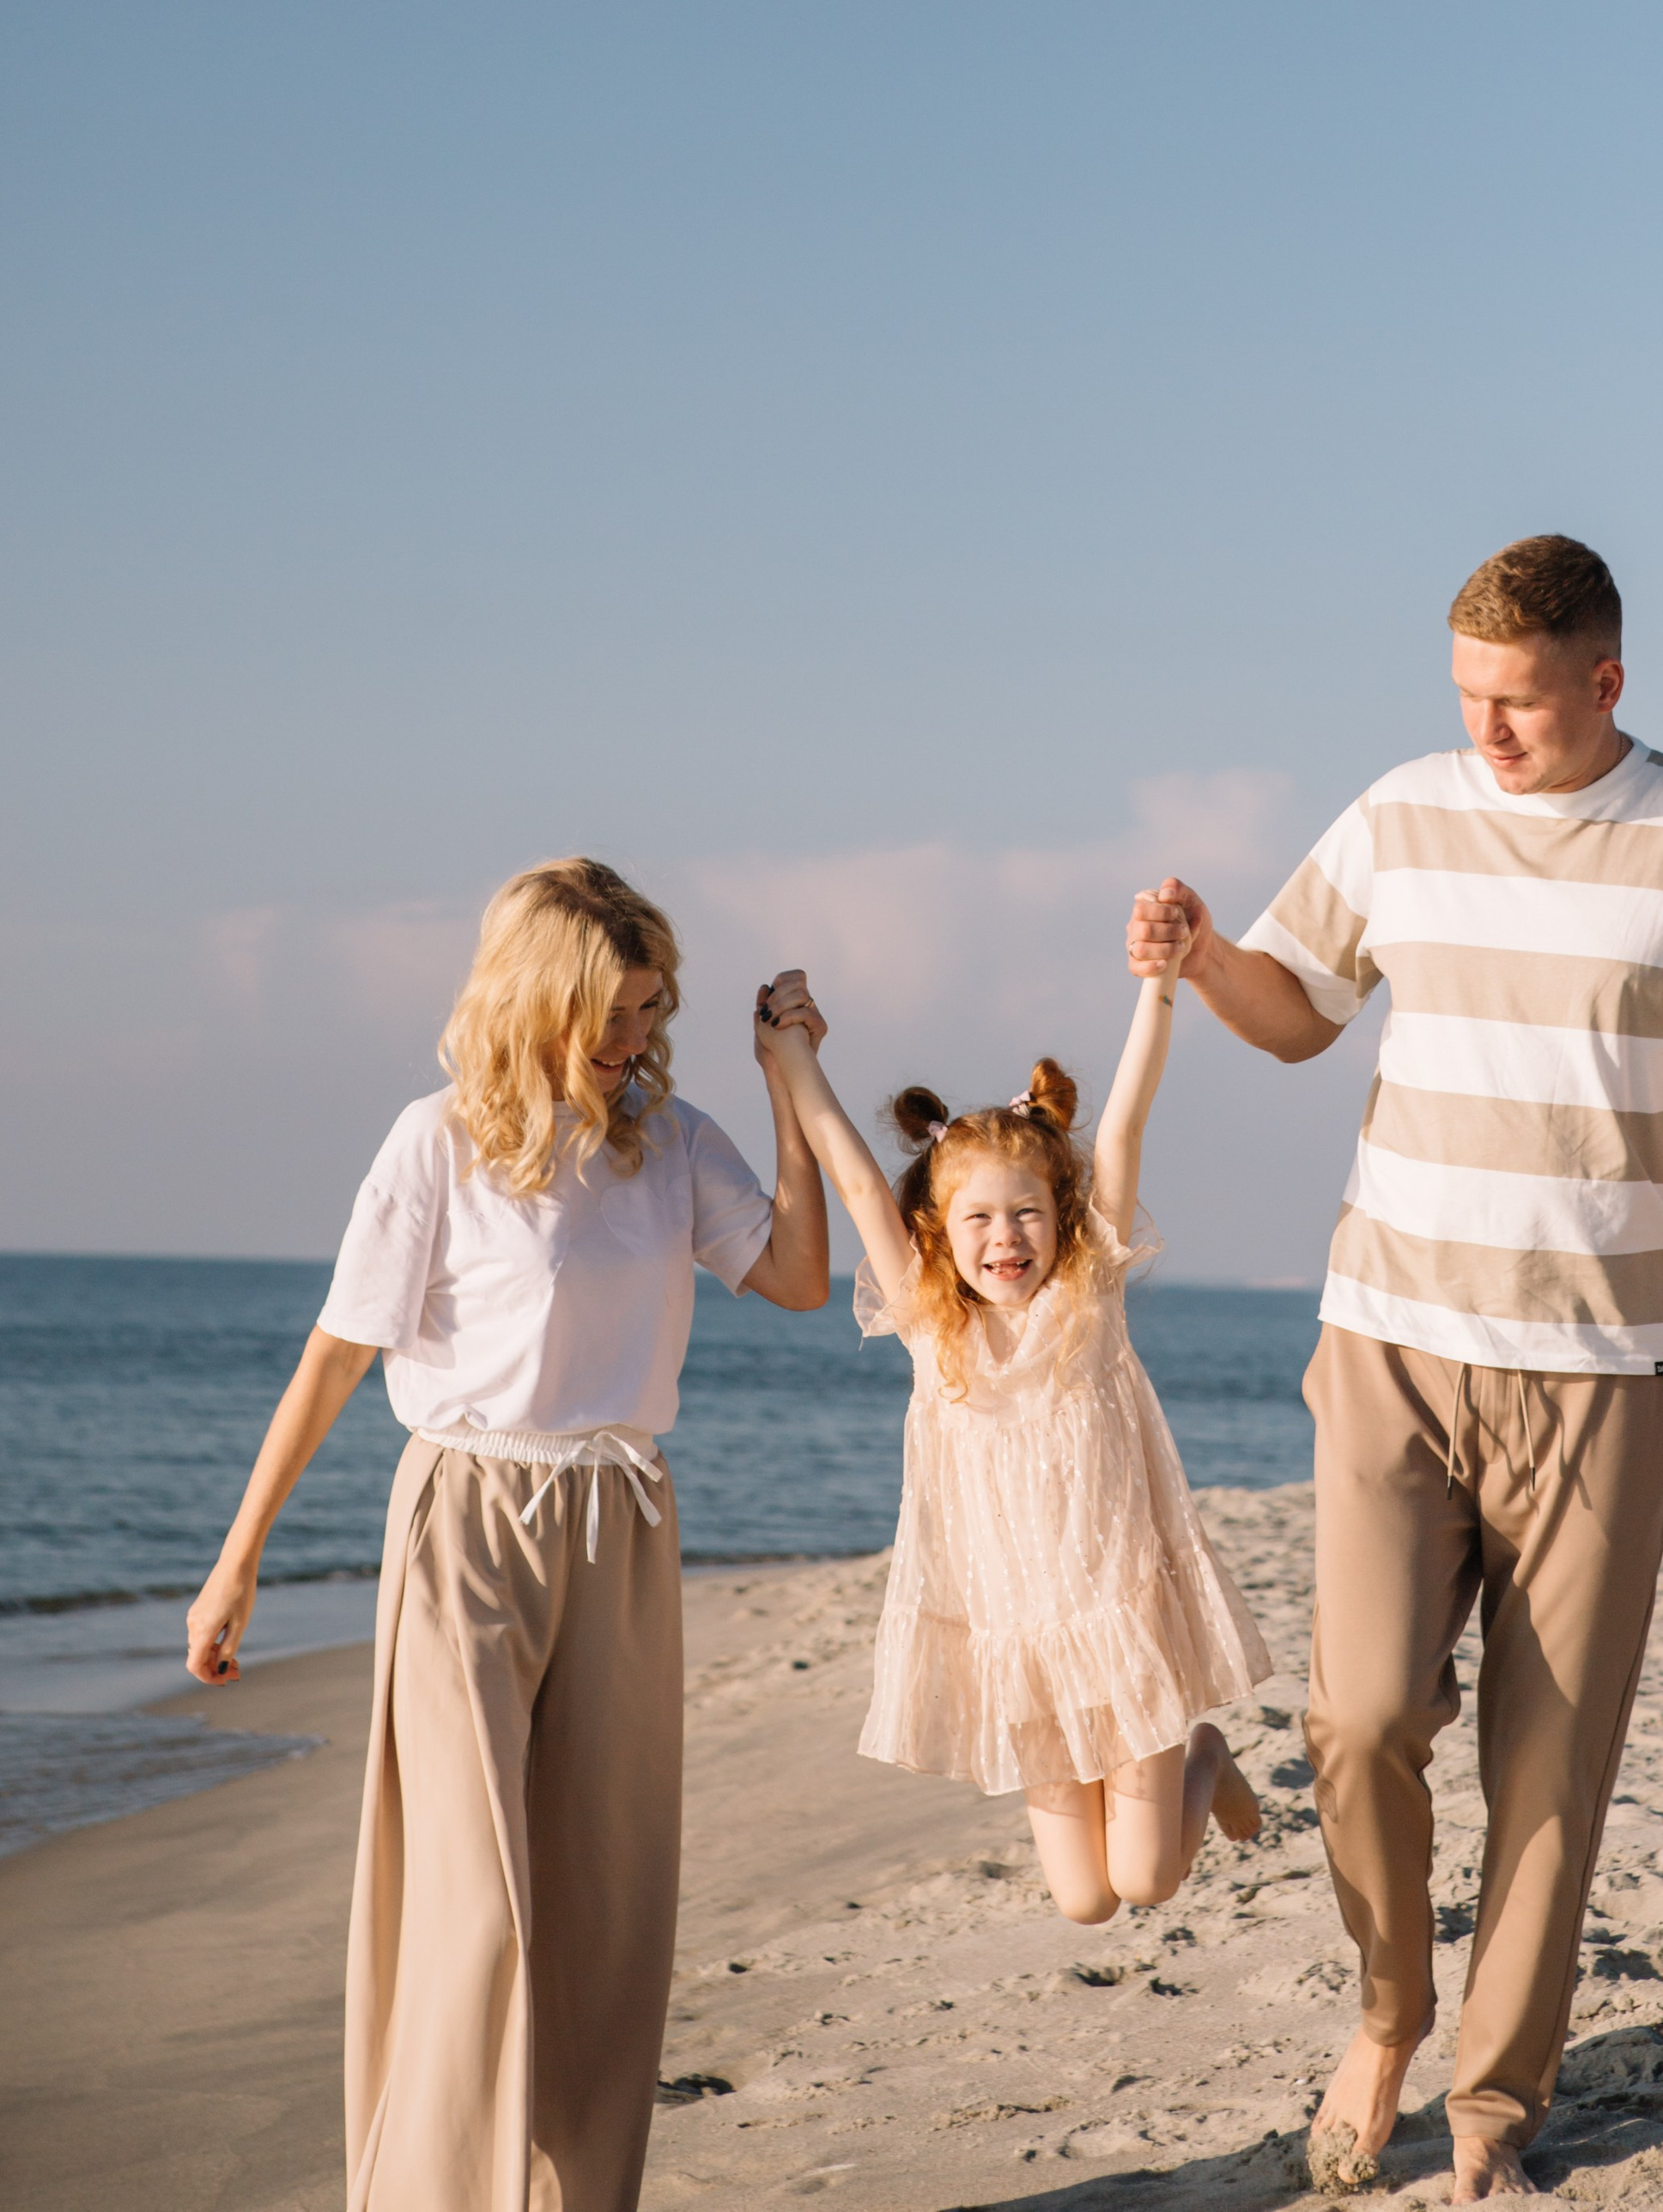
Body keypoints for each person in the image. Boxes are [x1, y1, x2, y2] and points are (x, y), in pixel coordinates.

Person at [1125, 536, 1663, 2203]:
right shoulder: (1399, 813)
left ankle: (1492, 2099)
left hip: (1602, 1376)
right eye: (1463, 695)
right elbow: (1298, 1015)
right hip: (1389, 1345)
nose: (1483, 730)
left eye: (1517, 700)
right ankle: (1387, 2011)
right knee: (1354, 1719)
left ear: (1605, 682)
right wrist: (1205, 959)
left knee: (1546, 1774)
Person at [185, 860, 831, 2212]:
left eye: (651, 1010)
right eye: (612, 1011)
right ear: (538, 999)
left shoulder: (672, 1140)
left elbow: (797, 1277)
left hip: (624, 1526)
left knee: (603, 1911)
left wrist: (789, 1086)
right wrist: (237, 1561)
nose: (635, 1037)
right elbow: (334, 1357)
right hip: (468, 1523)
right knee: (475, 1909)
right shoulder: (436, 1141)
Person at [751, 950, 1271, 1923]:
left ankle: (1205, 1756)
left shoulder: (1088, 1296)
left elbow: (1125, 1119)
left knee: (1146, 1879)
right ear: (938, 1232)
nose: (1006, 1238)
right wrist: (794, 1056)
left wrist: (1159, 982)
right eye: (980, 1219)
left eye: (1027, 1213)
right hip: (1019, 1640)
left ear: (1062, 1217)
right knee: (1085, 1902)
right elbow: (857, 1184)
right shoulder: (928, 1321)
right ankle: (1187, 1772)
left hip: (1122, 1619)